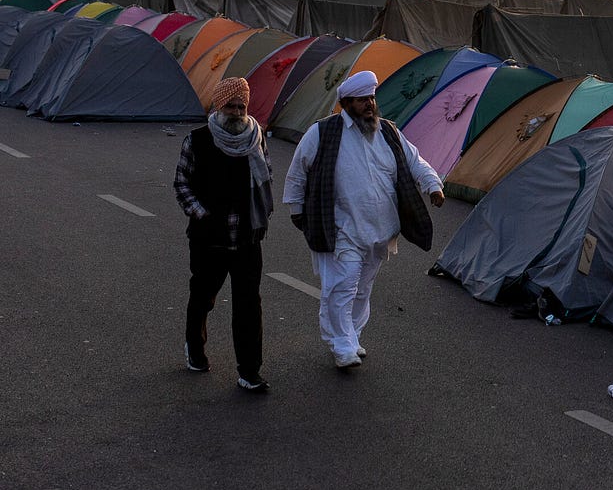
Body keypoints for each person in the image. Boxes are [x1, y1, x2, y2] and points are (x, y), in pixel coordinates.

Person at [283, 69, 444, 370]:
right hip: (341, 227)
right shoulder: (322, 132)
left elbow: (415, 161)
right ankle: (340, 345)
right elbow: (298, 171)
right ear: (346, 103)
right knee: (342, 284)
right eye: (361, 100)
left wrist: (433, 186)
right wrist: (296, 209)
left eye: (371, 98)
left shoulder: (388, 131)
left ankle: (352, 336)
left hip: (381, 229)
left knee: (362, 288)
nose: (369, 104)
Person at [173, 76, 273, 393]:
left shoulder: (256, 139)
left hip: (247, 239)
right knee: (203, 298)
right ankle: (196, 349)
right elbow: (182, 184)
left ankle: (249, 371)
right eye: (231, 105)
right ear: (219, 105)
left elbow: (266, 177)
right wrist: (202, 215)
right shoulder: (198, 140)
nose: (236, 111)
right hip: (209, 240)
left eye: (241, 106)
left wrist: (261, 213)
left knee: (248, 305)